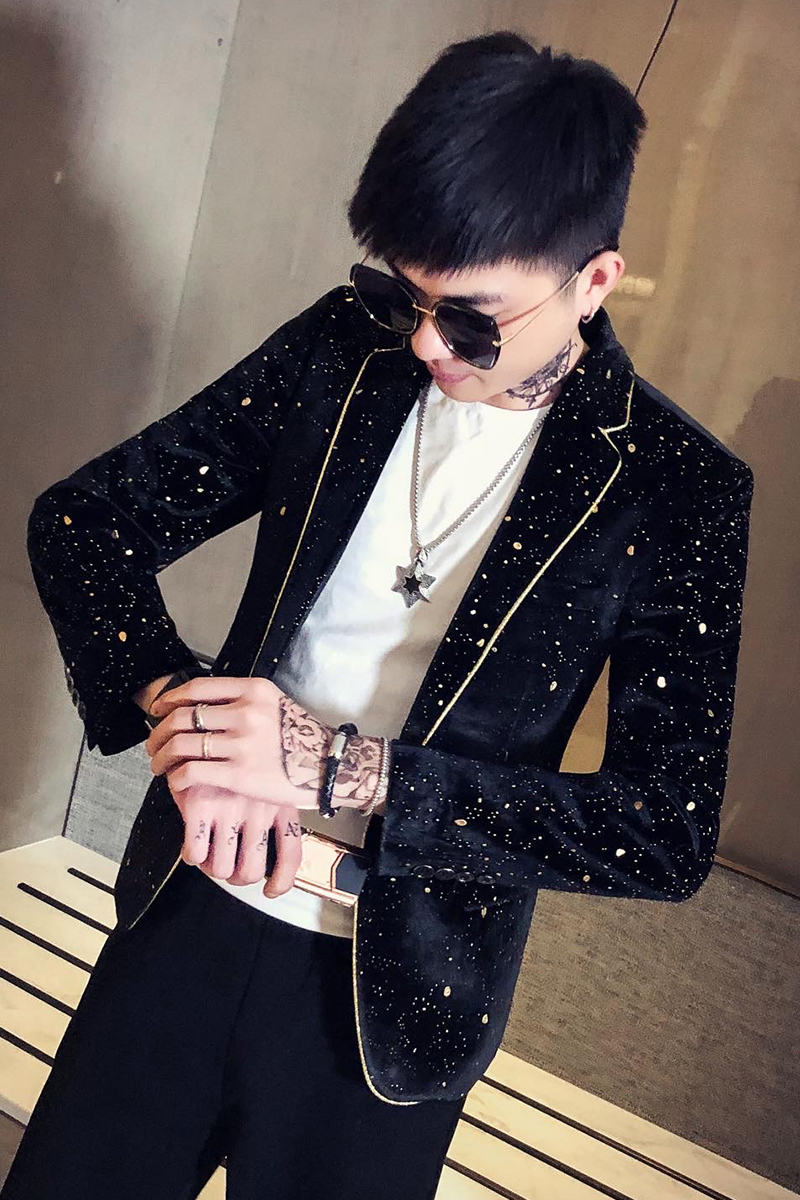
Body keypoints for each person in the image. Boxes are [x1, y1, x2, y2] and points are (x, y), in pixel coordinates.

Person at [5, 29, 754, 1200]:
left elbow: (660, 831)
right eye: (403, 294)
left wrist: (341, 768)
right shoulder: (341, 353)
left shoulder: (673, 488)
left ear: (593, 281)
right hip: (185, 912)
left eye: (469, 318)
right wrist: (181, 707)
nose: (422, 341)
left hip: (396, 1006)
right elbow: (83, 521)